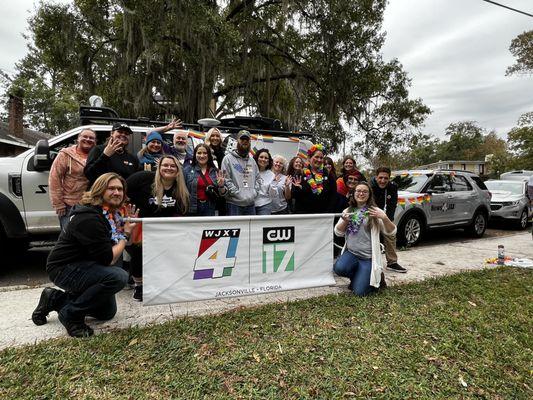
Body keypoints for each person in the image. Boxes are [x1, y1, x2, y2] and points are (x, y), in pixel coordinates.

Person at [32, 173, 137, 337]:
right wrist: (125, 235)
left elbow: (121, 246)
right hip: (64, 268)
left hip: (88, 265)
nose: (117, 192)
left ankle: (54, 298)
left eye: (120, 189)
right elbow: (109, 259)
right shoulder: (90, 217)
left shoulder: (111, 214)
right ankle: (71, 315)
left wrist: (125, 231)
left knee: (106, 312)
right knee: (118, 276)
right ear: (99, 190)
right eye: (111, 188)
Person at [126, 155, 190, 301]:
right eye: (165, 165)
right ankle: (139, 286)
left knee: (164, 255)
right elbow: (122, 188)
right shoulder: (144, 179)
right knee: (139, 254)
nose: (169, 168)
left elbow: (182, 211)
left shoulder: (180, 189)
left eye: (172, 166)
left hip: (164, 229)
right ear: (159, 167)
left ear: (178, 171)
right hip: (141, 226)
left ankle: (161, 282)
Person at [333, 181, 396, 296]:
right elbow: (338, 233)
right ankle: (360, 276)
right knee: (339, 268)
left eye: (365, 191)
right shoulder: (348, 211)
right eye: (358, 191)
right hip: (352, 254)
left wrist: (385, 218)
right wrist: (345, 222)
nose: (361, 193)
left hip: (368, 258)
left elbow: (392, 232)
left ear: (369, 195)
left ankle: (374, 278)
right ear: (354, 193)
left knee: (359, 293)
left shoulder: (374, 211)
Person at [49, 129, 97, 229]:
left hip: (92, 204)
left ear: (95, 141)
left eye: (91, 138)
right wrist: (58, 204)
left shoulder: (98, 155)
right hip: (69, 205)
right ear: (78, 139)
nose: (88, 139)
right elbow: (54, 178)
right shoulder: (65, 155)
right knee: (69, 236)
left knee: (88, 235)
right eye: (84, 136)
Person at [370, 166, 407, 273]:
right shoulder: (370, 186)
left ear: (389, 178)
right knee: (371, 236)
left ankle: (392, 262)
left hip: (384, 215)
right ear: (376, 177)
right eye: (380, 178)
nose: (383, 180)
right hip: (371, 214)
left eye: (386, 178)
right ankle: (369, 260)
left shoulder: (393, 187)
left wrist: (387, 221)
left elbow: (392, 205)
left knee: (390, 233)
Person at [221, 130, 259, 215]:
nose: (245, 141)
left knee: (251, 229)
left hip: (250, 205)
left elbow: (258, 179)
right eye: (242, 139)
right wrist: (237, 193)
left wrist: (254, 193)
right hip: (234, 204)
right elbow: (226, 180)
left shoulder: (252, 161)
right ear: (237, 140)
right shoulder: (227, 159)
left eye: (247, 139)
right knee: (236, 228)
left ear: (250, 142)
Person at [291, 144, 337, 214]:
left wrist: (328, 213)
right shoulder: (300, 173)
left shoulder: (327, 174)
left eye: (321, 158)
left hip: (323, 216)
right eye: (316, 157)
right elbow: (293, 195)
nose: (319, 160)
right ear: (309, 158)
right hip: (303, 215)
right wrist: (298, 189)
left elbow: (333, 195)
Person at [184, 144, 227, 216]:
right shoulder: (187, 170)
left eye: (205, 153)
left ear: (209, 155)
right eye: (199, 153)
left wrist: (221, 186)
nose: (202, 156)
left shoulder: (216, 171)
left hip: (211, 207)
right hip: (192, 208)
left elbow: (223, 194)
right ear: (195, 154)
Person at [254, 148, 275, 215]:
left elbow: (273, 195)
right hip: (250, 204)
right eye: (261, 157)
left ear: (268, 162)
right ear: (257, 158)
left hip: (265, 205)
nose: (263, 159)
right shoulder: (251, 171)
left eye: (266, 158)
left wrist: (273, 186)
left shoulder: (271, 175)